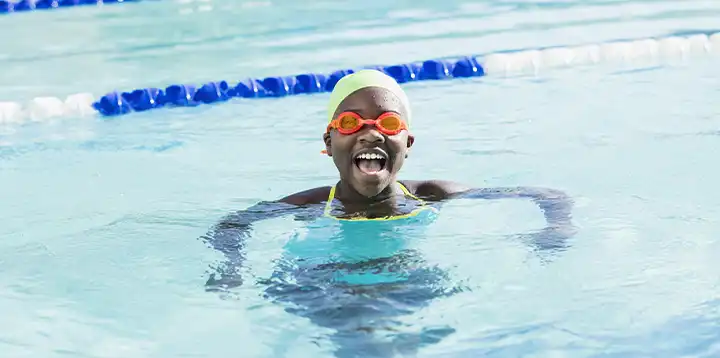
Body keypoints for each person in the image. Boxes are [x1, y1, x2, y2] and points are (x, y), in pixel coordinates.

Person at [200, 69, 576, 357]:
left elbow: (547, 194)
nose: (371, 133)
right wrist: (230, 269)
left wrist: (557, 228)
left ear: (407, 144)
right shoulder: (312, 203)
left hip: (404, 281)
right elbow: (233, 224)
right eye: (350, 123)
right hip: (320, 285)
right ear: (329, 143)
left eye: (388, 123)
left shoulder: (430, 194)